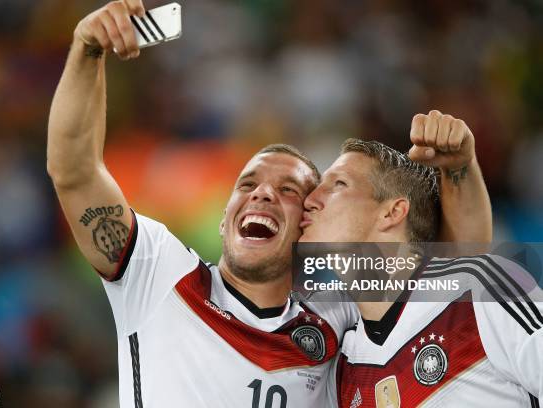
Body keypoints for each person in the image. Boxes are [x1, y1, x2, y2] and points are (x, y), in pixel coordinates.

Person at [46, 2, 493, 407]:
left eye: (289, 191)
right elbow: (74, 172)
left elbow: (459, 263)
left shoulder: (335, 310)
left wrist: (459, 168)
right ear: (224, 219)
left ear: (308, 226)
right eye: (248, 184)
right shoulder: (160, 272)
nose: (262, 193)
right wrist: (87, 52)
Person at [299, 126, 542, 406]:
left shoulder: (477, 290)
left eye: (338, 184)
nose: (311, 200)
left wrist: (460, 168)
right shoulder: (344, 361)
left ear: (392, 212)